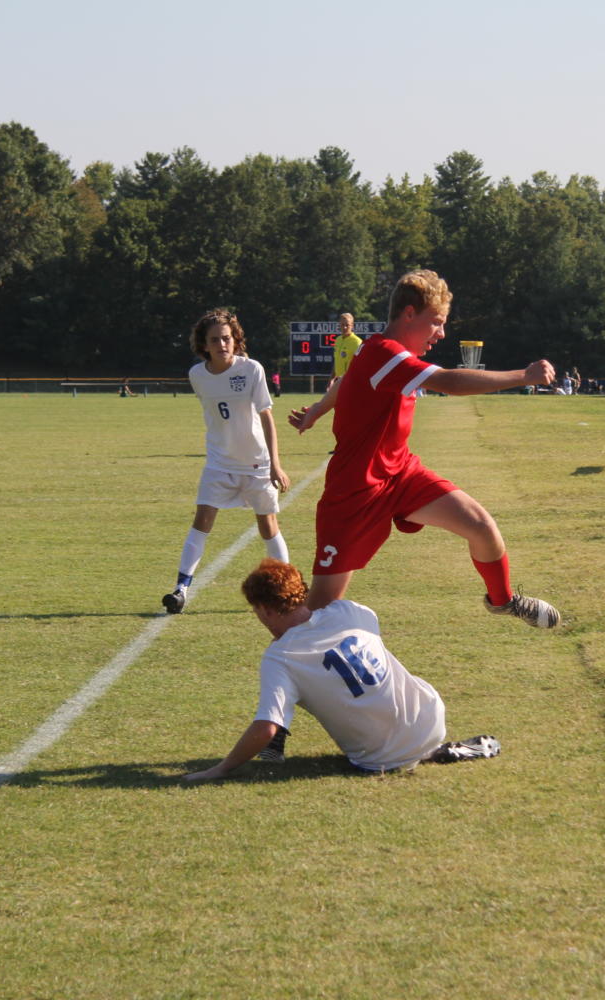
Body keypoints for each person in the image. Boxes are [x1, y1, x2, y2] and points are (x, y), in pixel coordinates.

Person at [287, 269, 560, 628]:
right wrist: (522, 376)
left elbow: (348, 379)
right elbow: (447, 381)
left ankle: (503, 600)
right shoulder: (384, 352)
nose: (441, 333)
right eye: (436, 322)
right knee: (318, 615)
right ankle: (284, 666)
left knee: (481, 526)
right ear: (409, 314)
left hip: (400, 474)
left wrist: (318, 410)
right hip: (355, 491)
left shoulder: (378, 352)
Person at [182, 559, 501, 780]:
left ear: (265, 610)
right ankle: (428, 748)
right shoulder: (350, 611)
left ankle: (291, 725)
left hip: (379, 760)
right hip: (431, 717)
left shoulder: (280, 656)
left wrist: (219, 770)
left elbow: (265, 727)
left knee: (298, 698)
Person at [163, 309, 291, 615]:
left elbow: (266, 418)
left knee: (268, 526)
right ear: (204, 345)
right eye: (215, 340)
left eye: (227, 338)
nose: (222, 343)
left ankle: (289, 589)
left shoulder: (252, 370)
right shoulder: (197, 375)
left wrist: (275, 463)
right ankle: (181, 589)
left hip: (256, 464)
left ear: (235, 340)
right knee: (202, 521)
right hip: (219, 464)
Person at [330, 313, 363, 389]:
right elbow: (337, 361)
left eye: (347, 325)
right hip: (338, 382)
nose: (344, 327)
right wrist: (331, 379)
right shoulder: (338, 340)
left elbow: (361, 365)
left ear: (352, 326)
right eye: (342, 325)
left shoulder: (357, 342)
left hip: (351, 383)